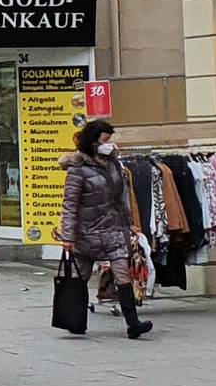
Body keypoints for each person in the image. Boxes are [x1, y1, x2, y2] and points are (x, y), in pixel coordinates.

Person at [58, 118, 151, 339]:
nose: (109, 145)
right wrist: (67, 236)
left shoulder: (114, 165)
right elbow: (70, 205)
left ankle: (133, 323)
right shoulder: (77, 169)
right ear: (93, 142)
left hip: (113, 229)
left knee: (122, 273)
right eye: (105, 140)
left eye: (110, 140)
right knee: (81, 276)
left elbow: (121, 199)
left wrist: (128, 224)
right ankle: (75, 321)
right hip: (87, 232)